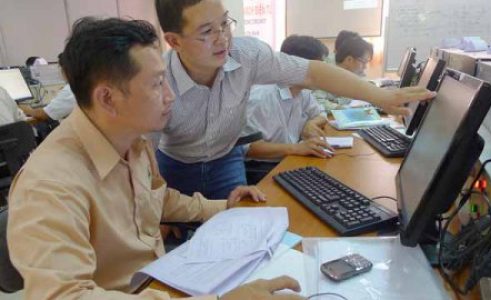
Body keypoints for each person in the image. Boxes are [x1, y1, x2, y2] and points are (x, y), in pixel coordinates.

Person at [7, 17, 300, 300]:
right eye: (158, 83)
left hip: (160, 280)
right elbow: (64, 296)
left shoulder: (132, 140)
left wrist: (225, 206)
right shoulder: (48, 185)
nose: (171, 96)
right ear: (107, 98)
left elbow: (158, 198)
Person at [154, 0, 434, 200]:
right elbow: (136, 151)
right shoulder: (157, 80)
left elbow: (311, 73)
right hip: (175, 165)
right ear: (174, 41)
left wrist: (381, 96)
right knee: (177, 242)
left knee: (239, 231)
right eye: (207, 31)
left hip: (226, 159)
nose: (223, 38)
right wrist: (155, 207)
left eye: (225, 23)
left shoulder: (246, 55)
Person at [243, 35, 334, 184]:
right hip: (260, 168)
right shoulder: (261, 96)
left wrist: (310, 124)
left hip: (289, 159)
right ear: (297, 66)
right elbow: (249, 148)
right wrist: (296, 148)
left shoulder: (303, 92)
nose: (325, 75)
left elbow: (321, 114)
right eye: (320, 67)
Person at [314, 34, 374, 110]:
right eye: (363, 62)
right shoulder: (324, 70)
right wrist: (340, 108)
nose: (365, 67)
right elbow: (317, 101)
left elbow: (362, 89)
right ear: (349, 60)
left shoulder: (356, 72)